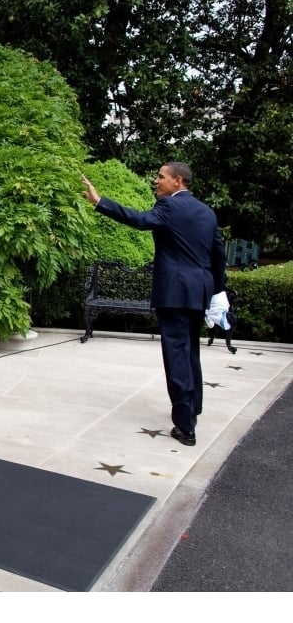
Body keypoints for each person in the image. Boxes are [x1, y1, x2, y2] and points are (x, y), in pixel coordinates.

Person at [82, 163, 227, 446]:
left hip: (174, 293)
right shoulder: (207, 212)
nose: (156, 181)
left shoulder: (169, 208)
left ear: (178, 181)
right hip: (199, 292)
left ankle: (185, 426)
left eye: (161, 177)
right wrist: (217, 291)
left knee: (176, 356)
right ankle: (193, 407)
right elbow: (218, 254)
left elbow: (140, 220)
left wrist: (100, 202)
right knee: (190, 351)